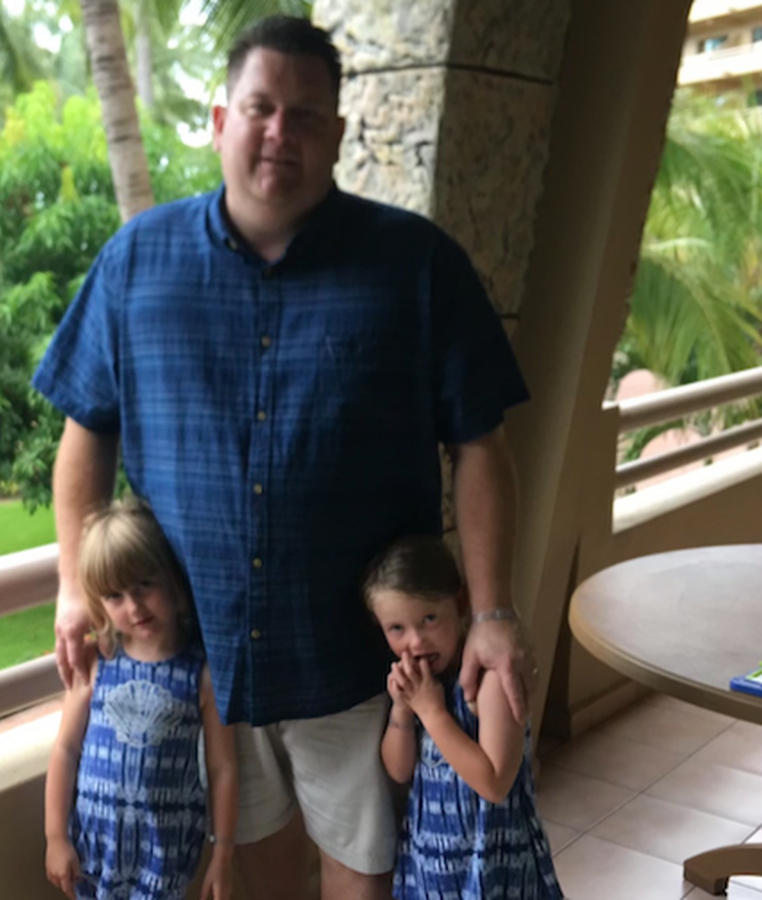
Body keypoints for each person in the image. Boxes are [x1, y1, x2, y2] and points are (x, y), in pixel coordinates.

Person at [33, 15, 536, 900]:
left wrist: (490, 611)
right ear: (220, 121)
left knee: (362, 876)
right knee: (253, 873)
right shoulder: (135, 264)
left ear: (336, 134)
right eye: (261, 108)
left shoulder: (417, 266)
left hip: (358, 663)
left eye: (305, 115)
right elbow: (87, 432)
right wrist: (76, 584)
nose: (280, 132)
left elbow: (480, 444)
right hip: (207, 658)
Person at [43, 498, 238, 900]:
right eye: (114, 596)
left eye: (144, 585)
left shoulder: (201, 674)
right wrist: (55, 837)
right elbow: (65, 749)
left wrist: (222, 854)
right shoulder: (96, 663)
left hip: (162, 856)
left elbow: (223, 768)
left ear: (170, 577)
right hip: (94, 851)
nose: (134, 607)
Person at [365, 535, 563, 900]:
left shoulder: (490, 678)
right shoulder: (423, 683)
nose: (416, 641)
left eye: (429, 619)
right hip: (430, 862)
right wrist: (403, 710)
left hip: (490, 863)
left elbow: (494, 783)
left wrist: (431, 711)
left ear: (459, 604)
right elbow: (398, 770)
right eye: (397, 629)